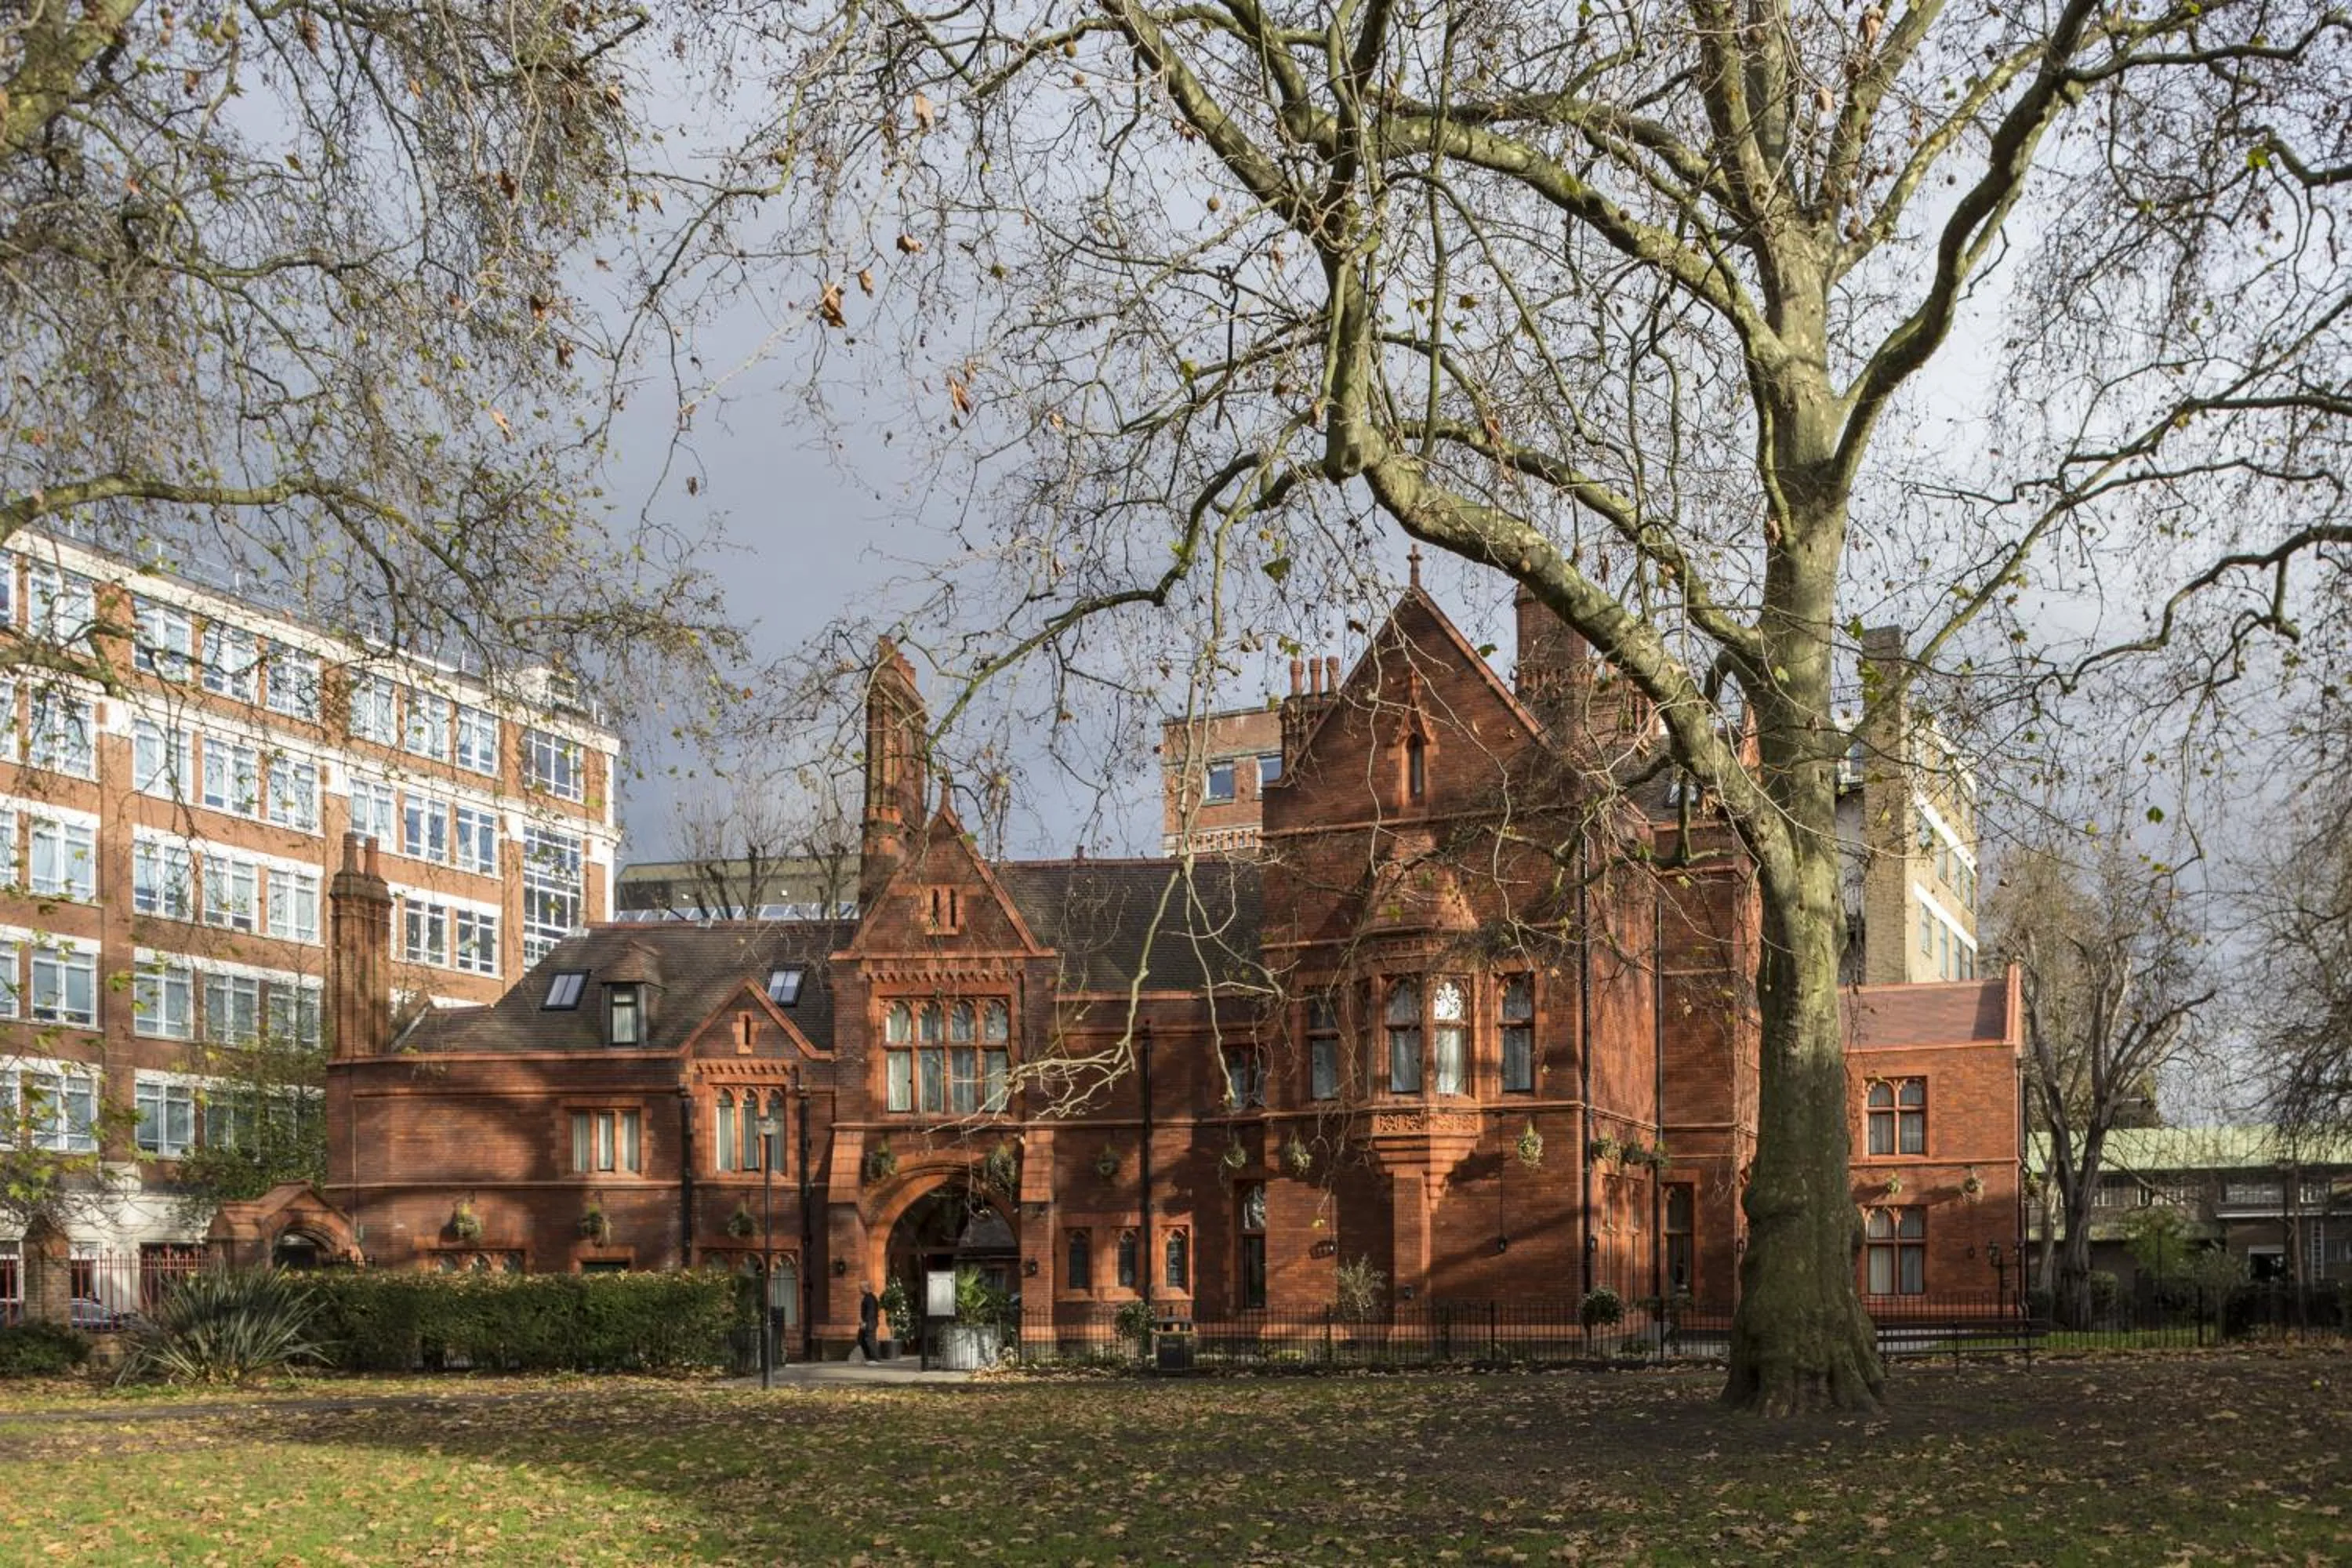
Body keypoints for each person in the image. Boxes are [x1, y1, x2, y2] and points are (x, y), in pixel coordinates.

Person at [857, 1280, 880, 1362]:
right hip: (869, 1322)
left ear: (866, 1288)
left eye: (860, 1288)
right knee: (861, 1339)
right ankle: (870, 1358)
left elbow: (871, 1312)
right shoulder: (868, 1297)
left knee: (870, 1340)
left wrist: (865, 1322)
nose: (859, 1290)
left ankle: (875, 1359)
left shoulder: (870, 1298)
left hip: (870, 1322)